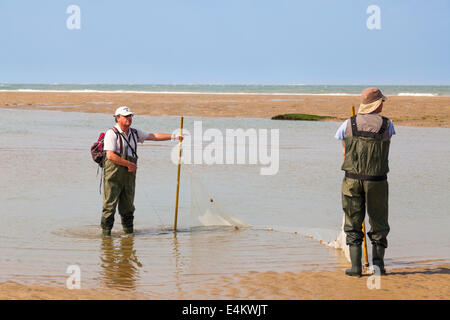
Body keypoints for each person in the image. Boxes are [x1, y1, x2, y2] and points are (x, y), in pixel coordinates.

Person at [334, 88, 396, 276]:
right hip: (377, 181)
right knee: (378, 223)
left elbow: (345, 152)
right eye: (382, 102)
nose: (383, 104)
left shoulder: (348, 124)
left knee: (353, 223)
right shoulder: (388, 124)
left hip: (352, 180)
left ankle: (355, 267)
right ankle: (378, 267)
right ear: (377, 104)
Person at [101, 106, 182, 236]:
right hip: (113, 175)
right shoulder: (111, 133)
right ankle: (106, 237)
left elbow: (153, 136)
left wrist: (173, 136)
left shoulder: (134, 132)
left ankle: (128, 235)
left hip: (129, 175)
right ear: (117, 118)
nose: (129, 118)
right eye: (126, 116)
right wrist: (129, 164)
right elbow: (110, 156)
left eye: (130, 116)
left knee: (128, 207)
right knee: (109, 207)